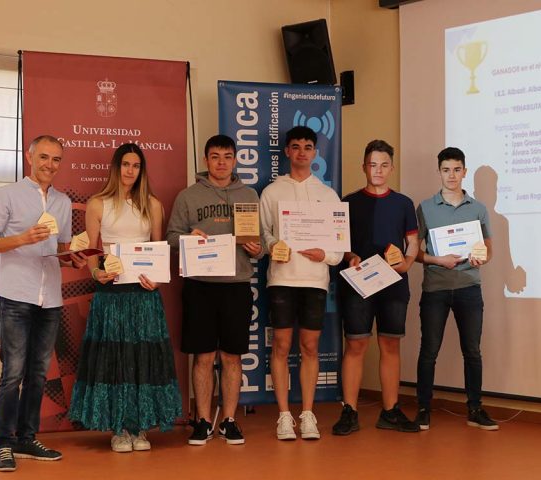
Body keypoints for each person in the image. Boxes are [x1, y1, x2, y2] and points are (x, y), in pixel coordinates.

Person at [0, 135, 87, 472]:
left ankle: (27, 438)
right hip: (16, 295)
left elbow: (61, 250)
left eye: (56, 159)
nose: (49, 165)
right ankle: (4, 443)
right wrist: (23, 238)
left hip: (50, 298)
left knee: (39, 373)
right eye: (43, 157)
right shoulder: (7, 194)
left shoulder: (63, 202)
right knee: (13, 373)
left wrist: (74, 259)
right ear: (30, 157)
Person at [68, 143, 182, 452]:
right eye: (126, 164)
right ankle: (118, 429)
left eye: (136, 165)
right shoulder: (97, 204)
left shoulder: (153, 205)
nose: (130, 170)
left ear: (141, 170)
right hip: (111, 294)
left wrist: (157, 279)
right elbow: (91, 250)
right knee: (115, 360)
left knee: (142, 359)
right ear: (116, 167)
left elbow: (158, 249)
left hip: (143, 294)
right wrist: (96, 273)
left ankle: (140, 427)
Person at [167, 134, 264, 446]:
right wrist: (188, 238)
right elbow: (171, 237)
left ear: (235, 160)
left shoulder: (248, 194)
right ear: (206, 160)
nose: (221, 163)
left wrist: (258, 248)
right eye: (215, 156)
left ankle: (229, 420)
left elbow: (260, 241)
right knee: (204, 356)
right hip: (200, 285)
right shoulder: (188, 196)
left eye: (227, 156)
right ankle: (203, 421)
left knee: (233, 356)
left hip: (236, 285)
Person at [260, 126, 343, 440]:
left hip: (315, 281)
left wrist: (326, 254)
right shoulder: (272, 192)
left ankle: (307, 414)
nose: (302, 152)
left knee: (310, 346)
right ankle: (284, 416)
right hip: (282, 279)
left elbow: (338, 246)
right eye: (295, 147)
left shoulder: (327, 194)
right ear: (287, 151)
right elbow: (263, 233)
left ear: (315, 153)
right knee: (281, 345)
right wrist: (272, 246)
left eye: (308, 147)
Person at [332, 140, 420, 436]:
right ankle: (349, 411)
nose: (378, 170)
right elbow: (339, 244)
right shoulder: (348, 202)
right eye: (373, 165)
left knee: (390, 344)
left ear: (391, 168)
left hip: (393, 284)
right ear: (364, 167)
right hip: (357, 283)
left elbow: (413, 242)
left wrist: (407, 263)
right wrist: (350, 256)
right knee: (355, 345)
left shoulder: (404, 203)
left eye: (384, 165)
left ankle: (390, 411)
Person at [414, 147, 498, 431]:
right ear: (439, 172)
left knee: (472, 351)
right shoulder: (425, 207)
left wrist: (480, 257)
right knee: (429, 351)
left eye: (457, 169)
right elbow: (414, 252)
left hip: (469, 288)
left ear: (465, 171)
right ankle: (423, 409)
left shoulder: (478, 209)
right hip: (435, 289)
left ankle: (475, 409)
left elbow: (488, 250)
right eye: (446, 170)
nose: (451, 175)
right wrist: (438, 260)